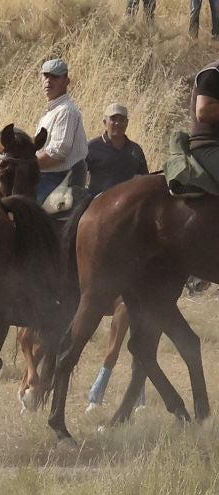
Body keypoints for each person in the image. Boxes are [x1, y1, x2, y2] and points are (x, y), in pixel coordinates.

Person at [83, 102, 148, 409]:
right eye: (113, 120)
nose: (117, 124)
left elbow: (143, 183)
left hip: (129, 224)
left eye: (122, 119)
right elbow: (78, 180)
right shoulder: (92, 148)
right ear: (104, 121)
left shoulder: (135, 152)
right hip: (98, 219)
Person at [32, 58, 88, 201]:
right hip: (47, 177)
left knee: (24, 210)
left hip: (60, 179)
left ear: (66, 81)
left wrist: (25, 163)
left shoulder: (66, 111)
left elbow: (57, 154)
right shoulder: (52, 111)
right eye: (46, 76)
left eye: (55, 77)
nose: (49, 81)